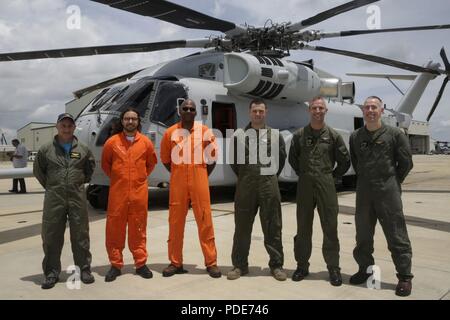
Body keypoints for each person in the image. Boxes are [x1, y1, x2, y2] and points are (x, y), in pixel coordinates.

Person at [349, 96, 414, 297]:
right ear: (363, 111)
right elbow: (355, 161)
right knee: (363, 235)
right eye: (367, 107)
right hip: (364, 193)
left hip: (388, 192)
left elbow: (406, 163)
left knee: (396, 234)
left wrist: (393, 182)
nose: (370, 110)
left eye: (374, 107)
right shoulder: (356, 136)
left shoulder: (395, 134)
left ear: (381, 110)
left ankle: (404, 276)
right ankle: (365, 270)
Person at [288, 96, 350, 286]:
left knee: (330, 227)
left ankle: (333, 268)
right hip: (305, 184)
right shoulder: (299, 135)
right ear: (310, 111)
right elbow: (293, 158)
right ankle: (302, 265)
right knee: (303, 226)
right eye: (314, 108)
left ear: (325, 111)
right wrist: (304, 173)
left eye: (320, 108)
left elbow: (345, 160)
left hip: (326, 183)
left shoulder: (333, 135)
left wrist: (332, 177)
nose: (317, 111)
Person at [160, 99, 221, 278]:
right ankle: (175, 262)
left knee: (205, 221)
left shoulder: (205, 132)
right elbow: (165, 159)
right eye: (185, 108)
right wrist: (178, 174)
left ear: (196, 112)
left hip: (199, 179)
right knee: (175, 222)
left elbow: (213, 158)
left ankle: (211, 263)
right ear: (180, 111)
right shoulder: (170, 133)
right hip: (178, 182)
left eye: (191, 109)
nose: (188, 110)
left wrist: (200, 174)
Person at [33, 113, 95, 289]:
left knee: (81, 234)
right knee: (51, 235)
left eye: (69, 125)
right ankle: (51, 273)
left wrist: (75, 184)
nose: (66, 128)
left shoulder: (83, 149)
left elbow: (89, 169)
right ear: (57, 126)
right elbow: (39, 171)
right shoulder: (46, 149)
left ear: (74, 127)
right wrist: (53, 186)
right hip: (54, 198)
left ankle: (84, 269)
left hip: (77, 197)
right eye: (63, 125)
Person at [227, 98, 287, 281]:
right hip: (246, 187)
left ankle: (276, 265)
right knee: (242, 228)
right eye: (255, 111)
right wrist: (247, 176)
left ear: (266, 112)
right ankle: (239, 265)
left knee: (273, 227)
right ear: (250, 112)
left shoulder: (275, 135)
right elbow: (234, 162)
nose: (258, 114)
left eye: (261, 111)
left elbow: (281, 159)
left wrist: (269, 178)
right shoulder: (238, 135)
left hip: (269, 186)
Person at [101, 107, 157, 282]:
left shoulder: (146, 143)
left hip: (139, 196)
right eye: (127, 119)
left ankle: (140, 264)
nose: (130, 122)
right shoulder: (112, 142)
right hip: (118, 196)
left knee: (139, 230)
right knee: (114, 231)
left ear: (138, 121)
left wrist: (137, 180)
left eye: (133, 119)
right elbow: (106, 165)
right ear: (122, 121)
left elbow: (151, 164)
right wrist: (121, 180)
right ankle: (115, 265)